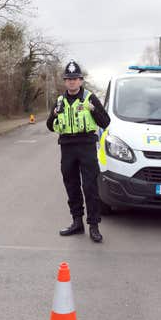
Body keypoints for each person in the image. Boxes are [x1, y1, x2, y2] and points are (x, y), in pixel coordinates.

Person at [46, 60, 110, 243]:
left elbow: (105, 122)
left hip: (87, 146)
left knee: (90, 186)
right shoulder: (59, 101)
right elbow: (50, 126)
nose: (72, 82)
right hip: (67, 147)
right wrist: (54, 115)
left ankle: (94, 226)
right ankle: (77, 222)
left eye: (75, 78)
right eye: (68, 79)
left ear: (81, 80)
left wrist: (94, 110)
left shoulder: (90, 98)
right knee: (71, 186)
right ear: (65, 82)